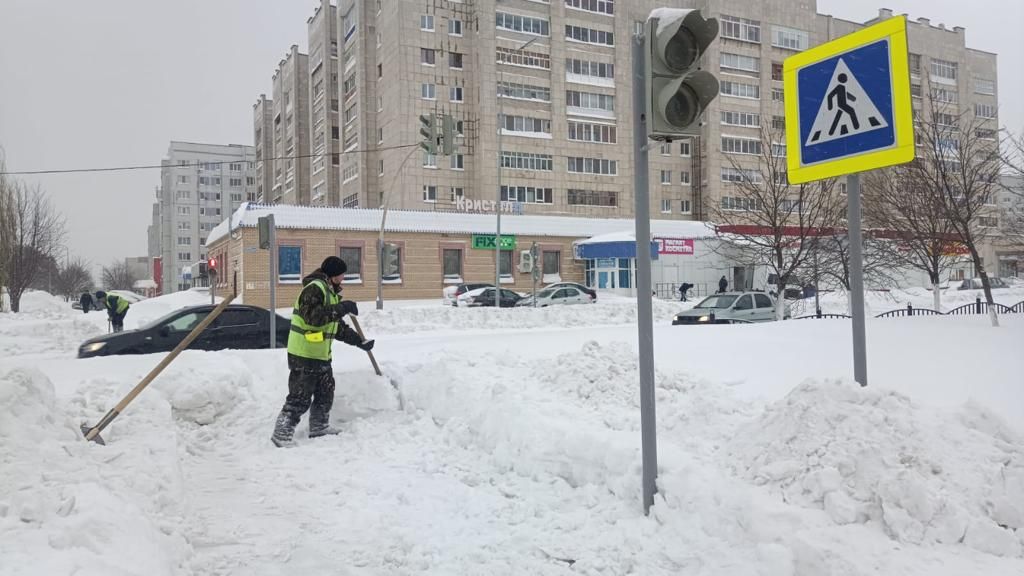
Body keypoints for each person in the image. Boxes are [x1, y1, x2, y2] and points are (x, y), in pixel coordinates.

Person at [271, 256, 375, 448]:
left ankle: (319, 426)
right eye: (342, 274)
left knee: (325, 393)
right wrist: (342, 308)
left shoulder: (330, 293)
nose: (343, 277)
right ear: (334, 274)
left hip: (320, 354)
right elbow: (313, 318)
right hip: (304, 354)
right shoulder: (314, 289)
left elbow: (336, 328)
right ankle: (282, 433)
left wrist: (360, 342)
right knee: (300, 397)